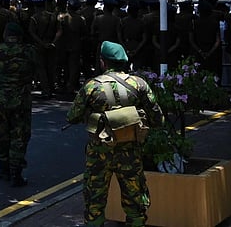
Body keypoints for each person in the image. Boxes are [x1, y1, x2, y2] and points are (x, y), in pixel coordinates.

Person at [67, 41, 164, 227]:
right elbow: (158, 119)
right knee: (135, 199)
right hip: (130, 152)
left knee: (94, 199)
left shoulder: (91, 87)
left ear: (103, 62)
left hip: (99, 153)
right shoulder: (139, 84)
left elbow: (72, 116)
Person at [0, 23, 36, 186]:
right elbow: (35, 70)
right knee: (19, 136)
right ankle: (16, 172)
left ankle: (4, 168)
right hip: (21, 100)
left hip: (1, 100)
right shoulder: (28, 51)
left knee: (2, 134)